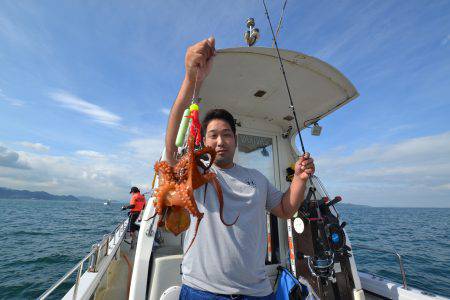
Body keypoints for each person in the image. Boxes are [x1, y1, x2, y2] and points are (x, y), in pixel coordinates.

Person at [165, 37, 315, 299]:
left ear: (235, 140)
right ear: (203, 140)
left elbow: (286, 209)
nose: (220, 141)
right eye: (213, 135)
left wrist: (300, 179)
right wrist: (191, 78)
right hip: (202, 291)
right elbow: (171, 148)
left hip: (256, 292)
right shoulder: (196, 174)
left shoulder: (256, 179)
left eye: (226, 134)